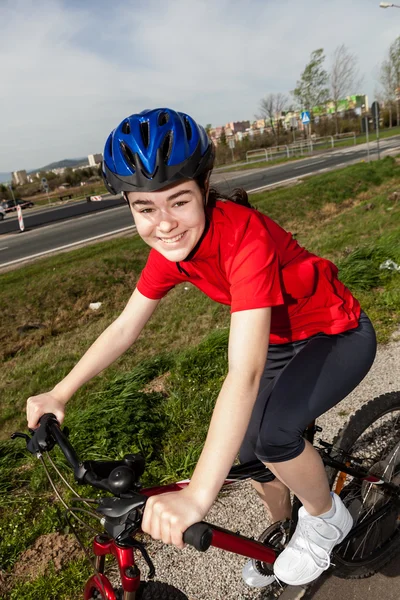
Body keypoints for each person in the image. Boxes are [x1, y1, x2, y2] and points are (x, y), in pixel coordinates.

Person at [26, 108, 377, 588]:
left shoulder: (242, 236)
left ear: (205, 186)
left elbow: (244, 374)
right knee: (252, 453)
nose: (164, 224)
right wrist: (60, 392)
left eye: (179, 201)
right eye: (145, 208)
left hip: (334, 333)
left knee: (276, 436)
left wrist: (198, 495)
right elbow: (125, 327)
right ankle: (283, 530)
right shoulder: (173, 250)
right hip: (279, 341)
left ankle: (325, 520)